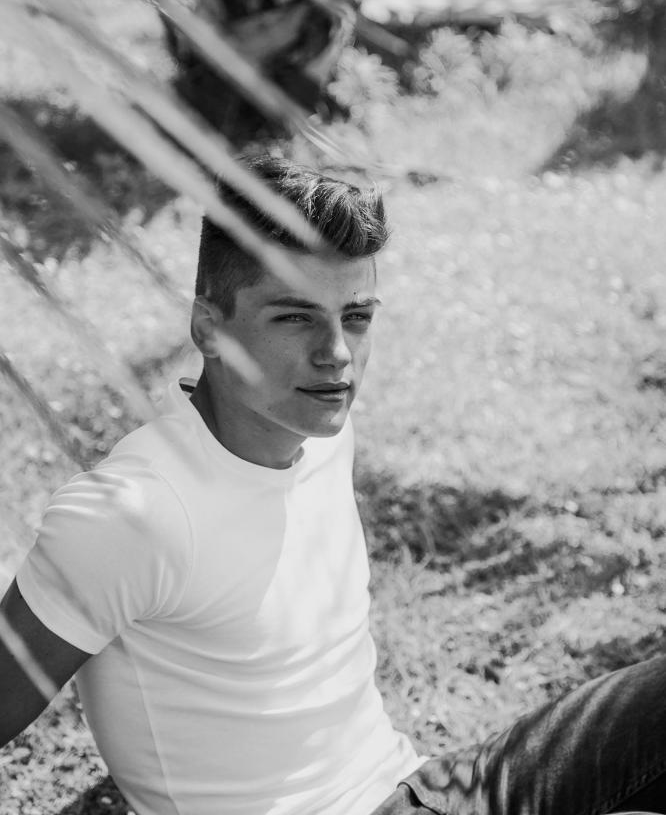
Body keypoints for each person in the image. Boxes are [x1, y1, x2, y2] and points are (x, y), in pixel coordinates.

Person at [0, 156, 665, 815]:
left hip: (424, 789)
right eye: (295, 318)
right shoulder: (133, 515)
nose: (337, 353)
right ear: (208, 327)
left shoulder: (318, 435)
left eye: (356, 317)